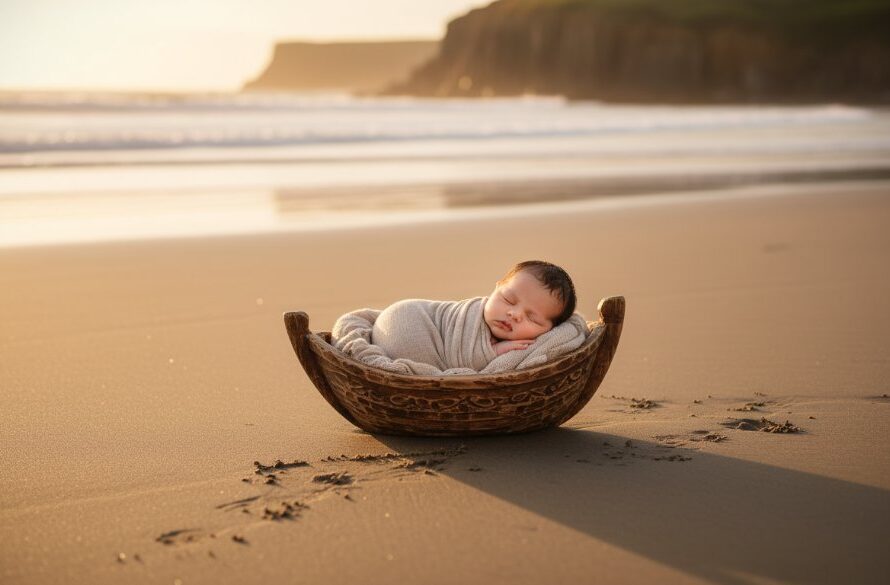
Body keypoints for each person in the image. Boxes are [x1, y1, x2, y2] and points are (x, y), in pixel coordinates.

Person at [484, 260, 576, 355]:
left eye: (532, 319)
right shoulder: (470, 313)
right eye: (508, 299)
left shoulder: (529, 352)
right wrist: (495, 351)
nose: (515, 314)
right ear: (497, 287)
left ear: (550, 330)